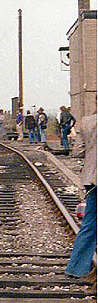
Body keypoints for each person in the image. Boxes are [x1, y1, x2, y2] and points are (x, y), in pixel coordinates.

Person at [66, 111, 96, 279]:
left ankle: (76, 269)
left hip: (92, 179)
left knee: (90, 224)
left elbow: (77, 151)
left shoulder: (87, 122)